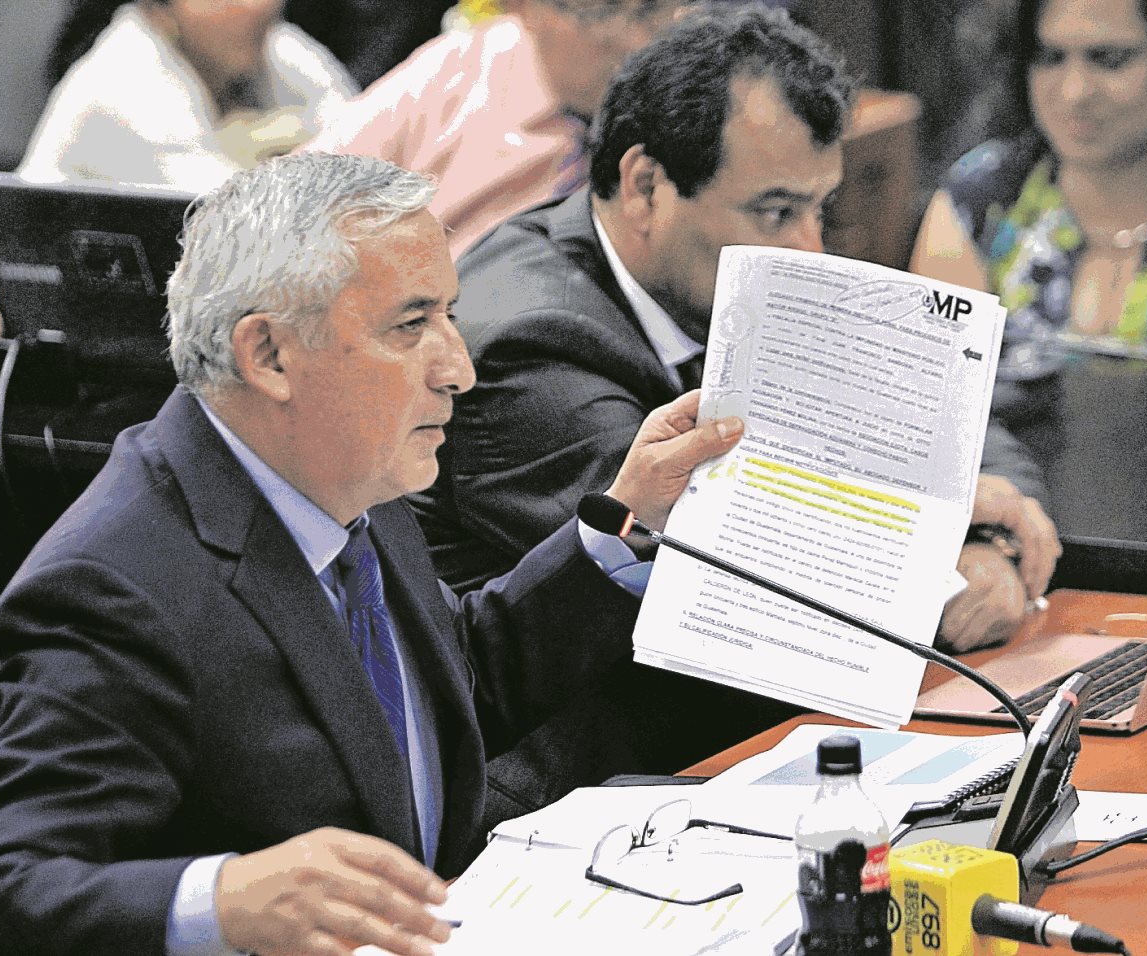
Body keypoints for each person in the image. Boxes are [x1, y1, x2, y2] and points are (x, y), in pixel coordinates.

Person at [0, 152, 744, 955]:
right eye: (411, 325)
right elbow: (14, 886)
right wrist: (224, 899)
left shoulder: (346, 469)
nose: (459, 369)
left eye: (450, 316)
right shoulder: (110, 589)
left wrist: (624, 519)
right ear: (269, 355)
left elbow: (449, 684)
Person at [409, 3, 1061, 830]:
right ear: (646, 186)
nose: (810, 248)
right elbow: (741, 562)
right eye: (775, 211)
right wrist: (952, 528)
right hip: (590, 797)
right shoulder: (529, 341)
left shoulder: (745, 277)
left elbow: (955, 415)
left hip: (758, 746)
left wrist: (995, 536)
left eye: (820, 208)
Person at [910, 0, 1147, 389]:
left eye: (1109, 59)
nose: (1075, 92)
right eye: (1049, 57)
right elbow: (934, 394)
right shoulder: (980, 199)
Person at [303, 0, 684, 256]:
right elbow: (297, 200)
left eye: (653, 7)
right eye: (602, 10)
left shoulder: (693, 98)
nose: (638, 40)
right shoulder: (461, 72)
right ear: (523, 7)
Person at [17, 0, 355, 190]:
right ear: (160, 10)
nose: (257, 6)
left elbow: (360, 150)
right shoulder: (122, 74)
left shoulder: (275, 44)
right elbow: (229, 221)